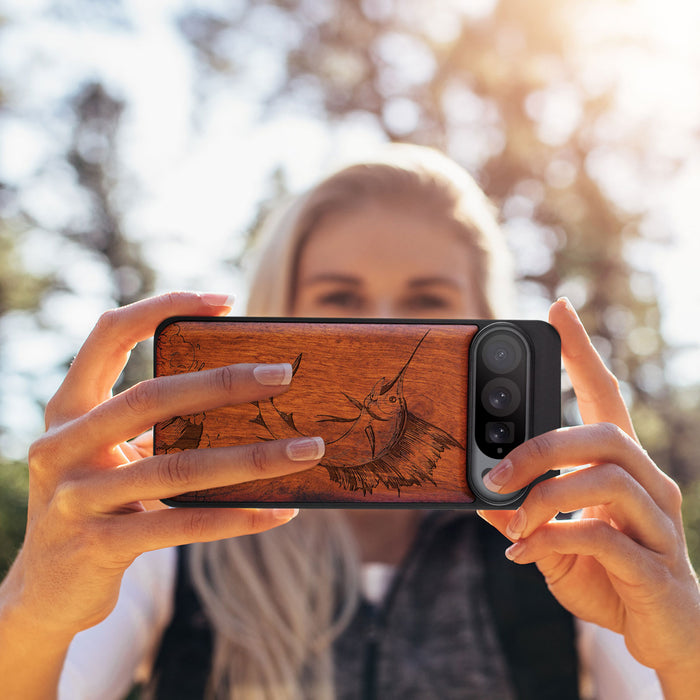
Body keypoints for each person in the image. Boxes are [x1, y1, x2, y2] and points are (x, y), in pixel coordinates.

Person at [0, 145, 698, 700]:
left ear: (487, 323)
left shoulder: (567, 544)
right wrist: (34, 607)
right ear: (279, 314)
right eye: (340, 299)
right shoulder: (171, 534)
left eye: (427, 301)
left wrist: (685, 648)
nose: (386, 326)